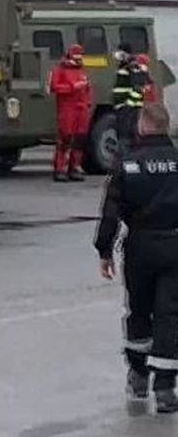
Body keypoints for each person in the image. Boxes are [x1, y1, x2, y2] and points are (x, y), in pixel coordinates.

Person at [95, 103, 178, 412]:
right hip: (174, 244)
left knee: (139, 310)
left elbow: (111, 211)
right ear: (166, 128)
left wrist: (105, 250)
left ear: (142, 126)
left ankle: (139, 377)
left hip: (139, 247)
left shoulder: (127, 163)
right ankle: (166, 389)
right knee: (170, 315)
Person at [49, 44, 93, 182]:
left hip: (81, 108)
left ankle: (74, 167)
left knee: (80, 138)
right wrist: (72, 87)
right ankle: (60, 168)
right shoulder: (59, 70)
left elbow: (88, 88)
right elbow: (53, 87)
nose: (78, 60)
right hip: (67, 108)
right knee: (65, 138)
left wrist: (88, 102)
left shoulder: (82, 70)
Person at [114, 43, 146, 155]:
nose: (117, 55)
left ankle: (128, 159)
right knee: (123, 135)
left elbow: (138, 88)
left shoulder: (132, 67)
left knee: (126, 137)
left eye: (120, 52)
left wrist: (129, 105)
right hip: (123, 108)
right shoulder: (124, 66)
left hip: (129, 109)